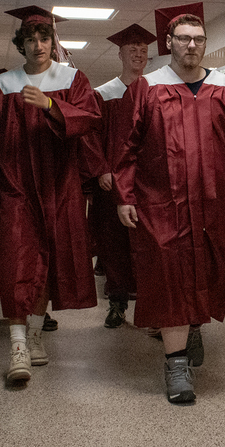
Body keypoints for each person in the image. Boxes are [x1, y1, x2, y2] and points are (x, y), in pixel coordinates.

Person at [115, 4, 225, 404]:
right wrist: (124, 195)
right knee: (169, 278)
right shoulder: (146, 88)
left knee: (206, 273)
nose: (191, 45)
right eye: (184, 38)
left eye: (198, 39)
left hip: (215, 205)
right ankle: (176, 366)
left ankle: (193, 327)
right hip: (160, 205)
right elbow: (125, 149)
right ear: (169, 43)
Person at [0, 6, 100, 382]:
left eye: (44, 38)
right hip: (13, 187)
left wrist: (51, 105)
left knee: (49, 263)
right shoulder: (4, 85)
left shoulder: (72, 79)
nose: (38, 46)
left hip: (59, 188)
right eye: (30, 39)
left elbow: (89, 119)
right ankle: (17, 343)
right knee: (17, 262)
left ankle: (34, 334)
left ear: (53, 42)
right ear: (21, 44)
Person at [83, 24, 155, 329]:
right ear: (120, 53)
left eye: (142, 50)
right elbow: (90, 135)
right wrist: (101, 167)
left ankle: (154, 309)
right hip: (112, 182)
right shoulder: (103, 93)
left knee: (151, 244)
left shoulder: (156, 90)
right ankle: (116, 302)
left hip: (148, 184)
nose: (138, 54)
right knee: (114, 243)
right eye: (132, 50)